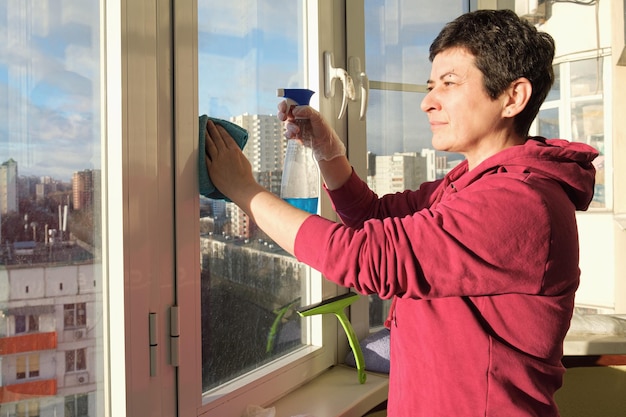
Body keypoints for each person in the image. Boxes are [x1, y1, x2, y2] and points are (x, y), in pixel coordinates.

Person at [204, 9, 598, 417]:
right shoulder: (467, 182)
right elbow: (373, 216)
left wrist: (243, 190)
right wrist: (328, 152)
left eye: (449, 83)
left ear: (512, 97)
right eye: (430, 86)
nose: (428, 102)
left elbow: (364, 257)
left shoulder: (520, 200)